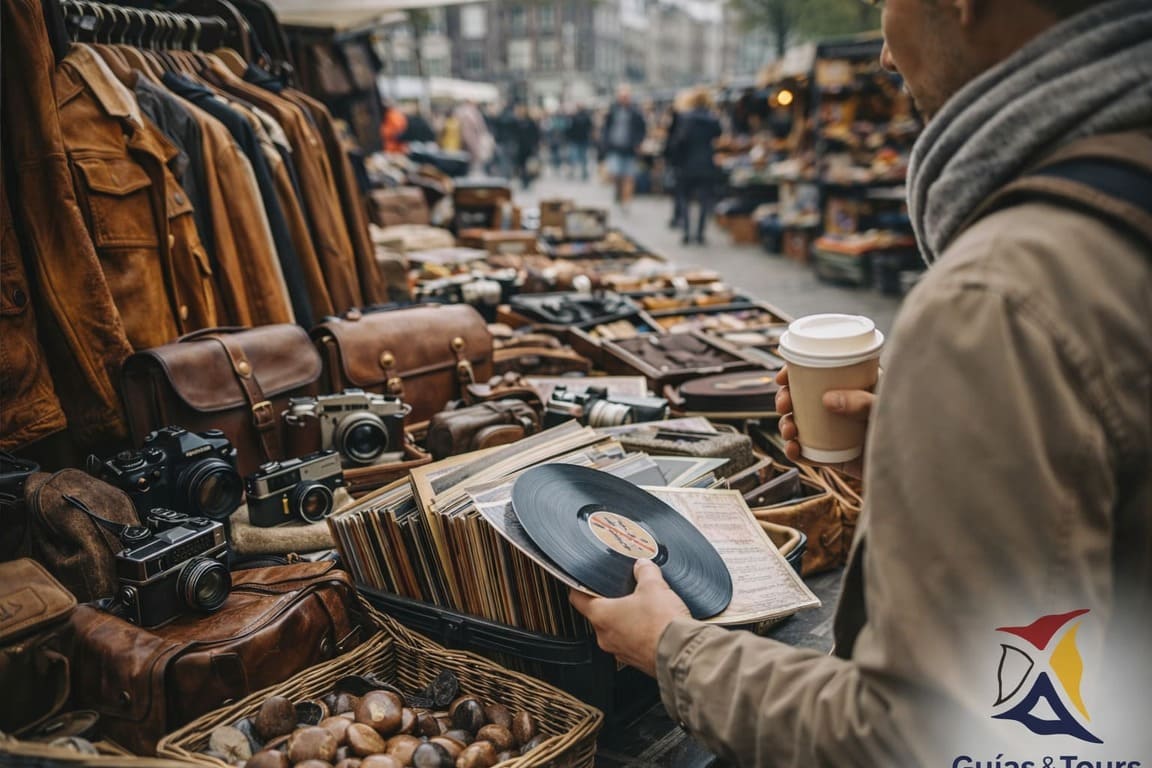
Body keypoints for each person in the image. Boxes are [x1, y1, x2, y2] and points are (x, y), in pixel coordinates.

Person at [571, 0, 1152, 765]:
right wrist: (922, 460)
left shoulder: (995, 298)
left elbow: (930, 734)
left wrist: (672, 650)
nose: (883, 52)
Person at [667, 89, 721, 245]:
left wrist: (675, 159)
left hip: (686, 164)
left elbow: (678, 142)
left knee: (684, 198)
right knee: (704, 200)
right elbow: (718, 136)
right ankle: (700, 233)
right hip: (706, 163)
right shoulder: (712, 119)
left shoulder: (685, 118)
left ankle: (686, 231)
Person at [600, 85, 646, 212]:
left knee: (629, 176)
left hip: (630, 149)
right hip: (615, 148)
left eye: (626, 96)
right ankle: (619, 194)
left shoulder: (635, 112)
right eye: (622, 96)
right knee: (616, 175)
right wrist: (605, 142)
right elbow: (606, 128)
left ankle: (626, 201)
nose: (624, 99)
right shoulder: (613, 111)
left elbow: (642, 129)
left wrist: (638, 142)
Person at [512, 105, 541, 190]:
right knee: (521, 165)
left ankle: (527, 180)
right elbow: (515, 135)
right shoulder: (517, 122)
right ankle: (523, 180)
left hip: (529, 148)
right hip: (520, 148)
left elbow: (536, 135)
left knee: (529, 166)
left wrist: (535, 145)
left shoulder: (531, 122)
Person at [566, 104, 593, 181]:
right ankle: (576, 172)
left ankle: (581, 172)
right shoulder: (574, 117)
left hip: (581, 140)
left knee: (580, 157)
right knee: (577, 157)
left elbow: (589, 127)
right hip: (578, 140)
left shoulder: (583, 117)